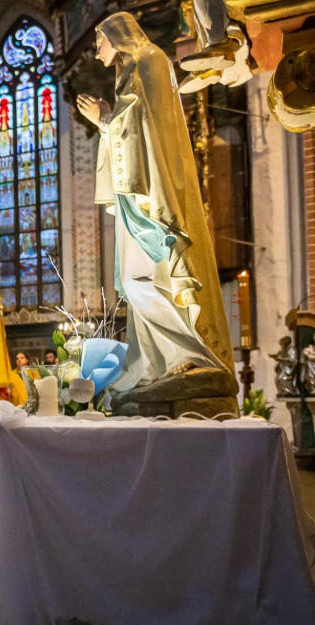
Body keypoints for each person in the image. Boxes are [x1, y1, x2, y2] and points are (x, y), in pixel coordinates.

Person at [76, 13, 235, 392]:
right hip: (134, 191)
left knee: (144, 279)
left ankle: (189, 355)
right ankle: (157, 362)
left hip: (151, 193)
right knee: (136, 283)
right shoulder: (130, 70)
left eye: (99, 41)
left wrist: (106, 121)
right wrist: (106, 122)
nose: (96, 50)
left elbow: (147, 126)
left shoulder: (151, 61)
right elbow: (131, 123)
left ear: (117, 35)